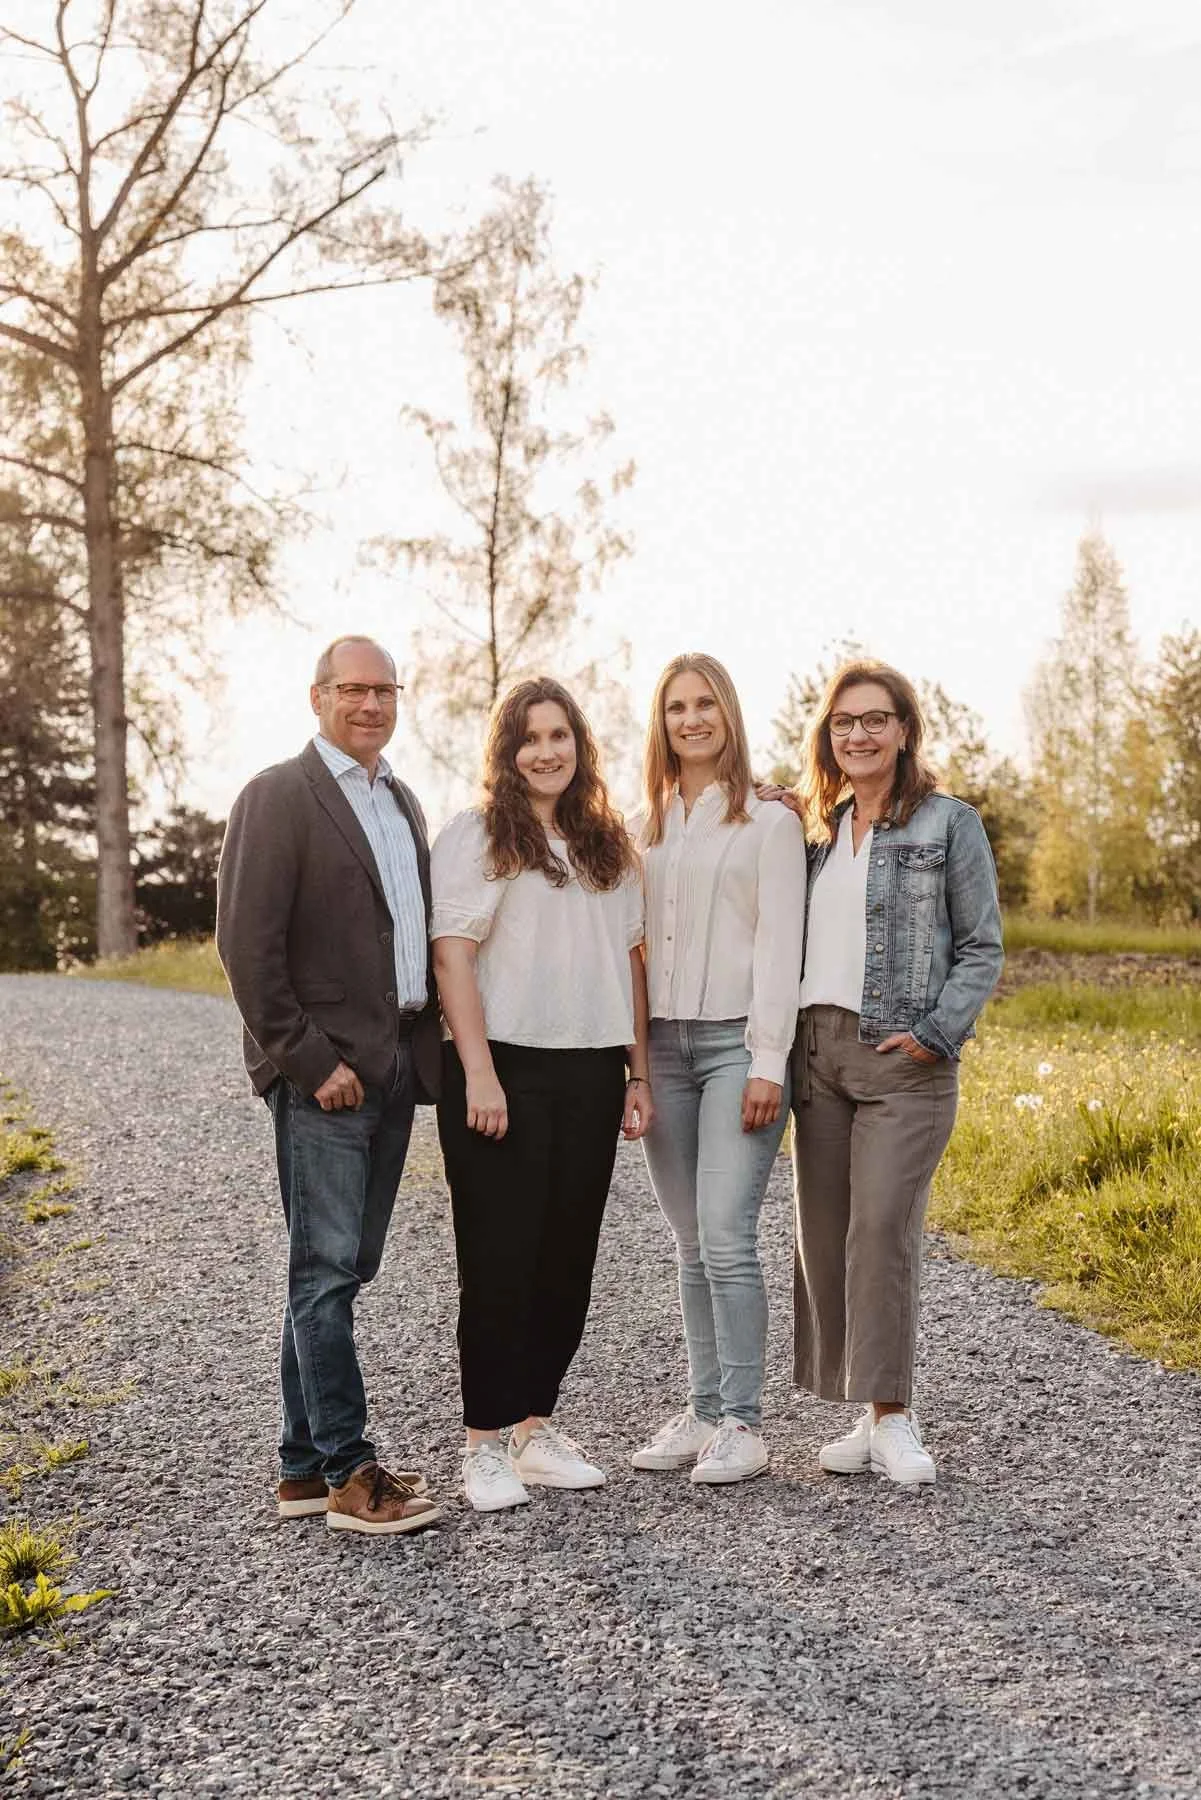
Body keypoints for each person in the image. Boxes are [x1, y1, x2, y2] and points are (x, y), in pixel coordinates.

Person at [216, 635, 441, 1535]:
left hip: (391, 1073)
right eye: (353, 689)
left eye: (385, 690)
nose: (371, 705)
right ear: (317, 697)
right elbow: (246, 949)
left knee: (340, 1271)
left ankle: (301, 1469)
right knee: (323, 1271)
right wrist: (313, 1064)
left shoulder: (401, 799)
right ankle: (351, 1472)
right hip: (325, 1081)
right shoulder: (276, 796)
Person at [431, 676, 653, 1513]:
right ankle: (481, 1443)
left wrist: (637, 1073)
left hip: (590, 1069)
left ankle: (533, 1426)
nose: (546, 750)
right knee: (498, 1259)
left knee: (566, 1257)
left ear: (580, 745)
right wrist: (479, 1071)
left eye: (559, 734)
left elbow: (631, 965)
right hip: (502, 1070)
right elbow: (453, 954)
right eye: (529, 737)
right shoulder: (478, 835)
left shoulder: (607, 847)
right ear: (506, 750)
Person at [789, 657, 1003, 1485]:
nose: (859, 734)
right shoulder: (815, 829)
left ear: (904, 730)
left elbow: (981, 944)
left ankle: (893, 1414)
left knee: (882, 1228)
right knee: (825, 1237)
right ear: (827, 736)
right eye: (843, 722)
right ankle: (860, 1407)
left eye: (875, 719)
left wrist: (933, 1033)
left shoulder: (947, 824)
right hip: (818, 1055)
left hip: (902, 1062)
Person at [630, 653, 806, 1485]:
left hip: (739, 1045)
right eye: (675, 708)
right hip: (662, 1048)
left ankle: (744, 1421)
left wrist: (769, 1060)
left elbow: (781, 948)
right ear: (660, 723)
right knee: (689, 1242)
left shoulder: (769, 822)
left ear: (728, 713)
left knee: (728, 1237)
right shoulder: (647, 823)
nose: (691, 719)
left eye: (704, 704)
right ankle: (702, 1410)